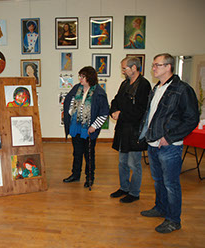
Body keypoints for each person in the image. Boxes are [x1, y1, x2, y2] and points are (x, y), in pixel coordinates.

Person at [139, 53, 199, 233]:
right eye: (154, 65)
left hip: (169, 145)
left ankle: (174, 220)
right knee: (158, 181)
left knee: (171, 184)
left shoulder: (182, 89)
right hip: (153, 143)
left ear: (168, 67)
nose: (153, 68)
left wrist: (169, 138)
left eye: (157, 65)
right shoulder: (156, 88)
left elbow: (191, 119)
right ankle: (160, 208)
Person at [109, 57, 151, 203]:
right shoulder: (125, 83)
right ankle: (124, 188)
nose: (123, 71)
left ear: (134, 68)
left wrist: (121, 114)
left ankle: (134, 192)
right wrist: (113, 111)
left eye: (124, 68)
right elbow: (116, 100)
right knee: (122, 162)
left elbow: (141, 110)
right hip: (122, 129)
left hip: (135, 131)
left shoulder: (144, 85)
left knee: (134, 163)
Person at [63, 66, 109, 188]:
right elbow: (69, 102)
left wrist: (94, 126)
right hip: (76, 127)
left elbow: (104, 113)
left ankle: (89, 178)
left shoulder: (99, 92)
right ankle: (75, 174)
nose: (80, 79)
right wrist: (70, 113)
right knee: (76, 153)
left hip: (88, 130)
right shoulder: (77, 88)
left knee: (89, 155)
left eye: (83, 76)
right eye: (80, 76)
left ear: (89, 77)